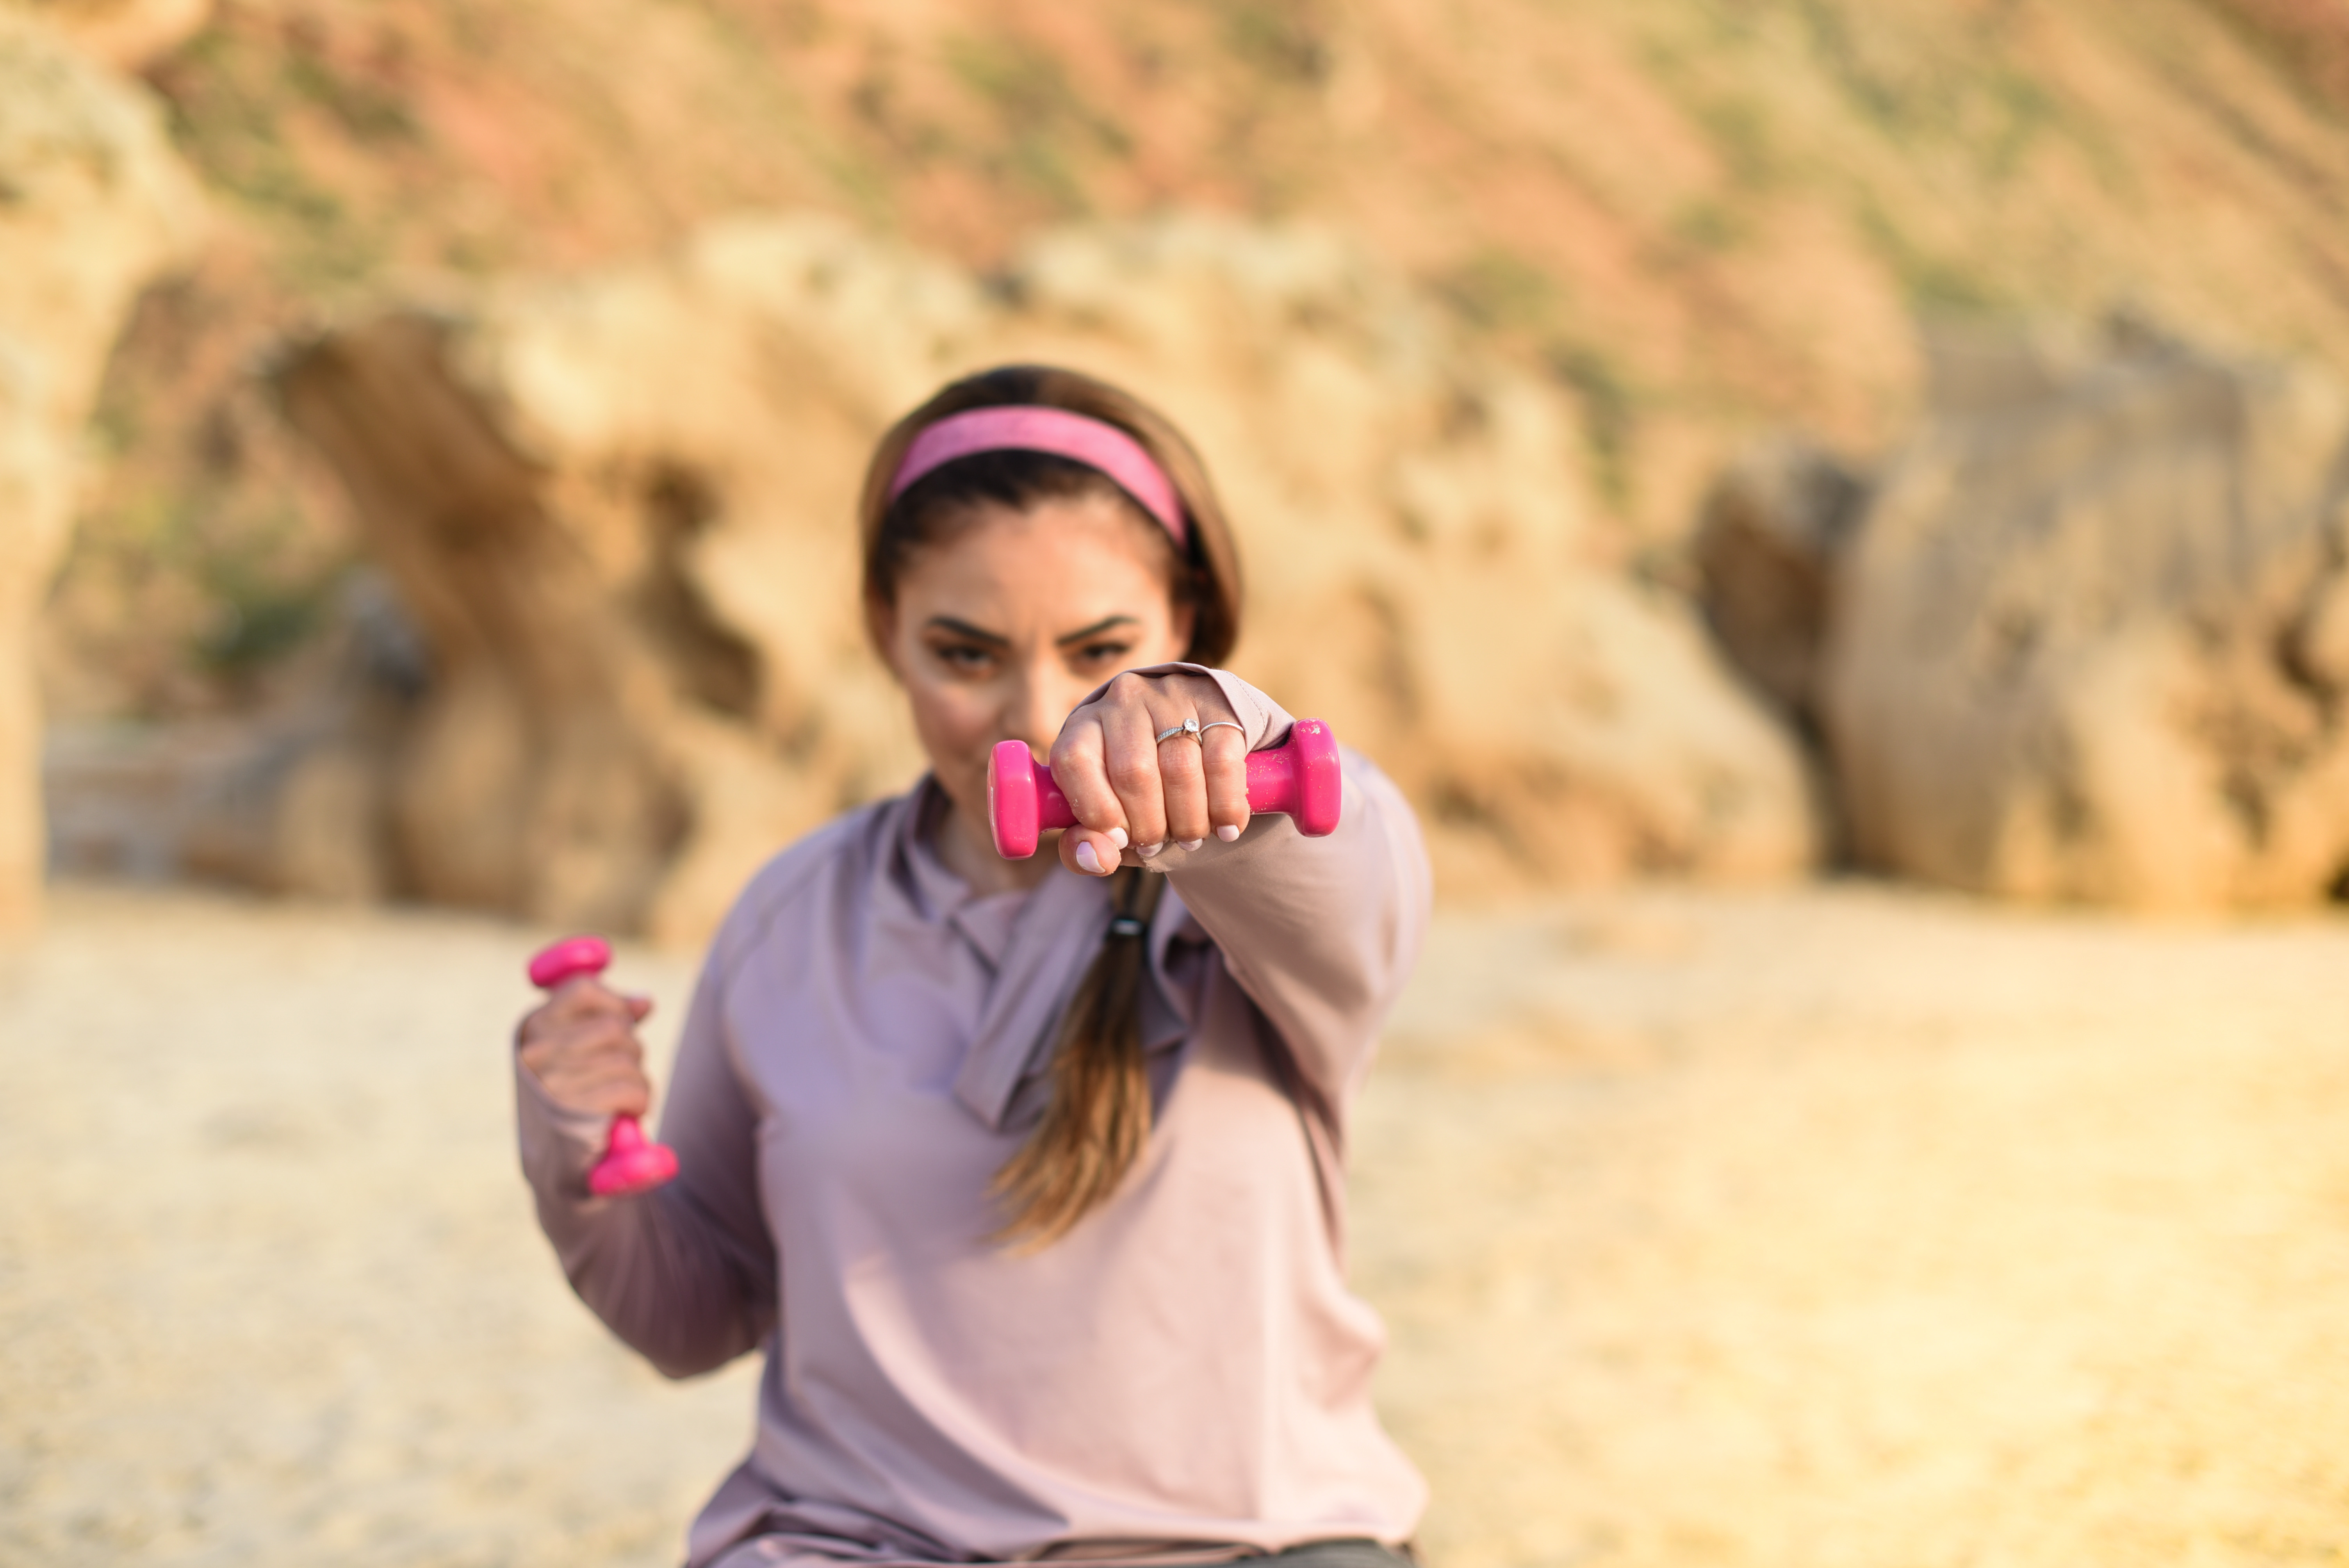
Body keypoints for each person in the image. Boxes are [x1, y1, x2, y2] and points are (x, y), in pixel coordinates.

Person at [514, 365, 1432, 1568]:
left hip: (1251, 1549)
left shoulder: (1278, 854)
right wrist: (577, 1152)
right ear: (884, 634)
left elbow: (1335, 865)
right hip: (857, 1545)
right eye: (965, 655)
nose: (1036, 719)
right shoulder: (794, 919)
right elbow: (695, 1321)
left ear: (1188, 627)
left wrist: (1205, 728)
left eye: (1102, 651)